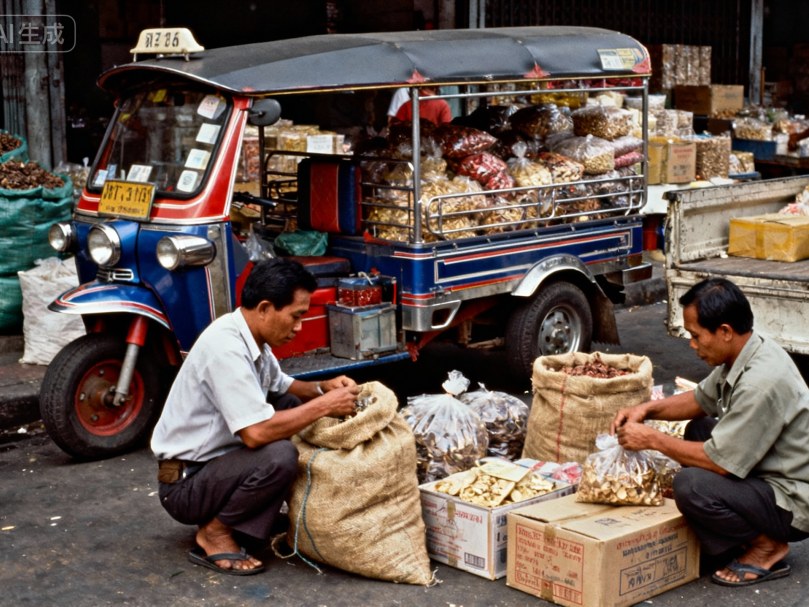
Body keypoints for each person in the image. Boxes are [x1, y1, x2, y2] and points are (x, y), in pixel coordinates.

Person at [151, 258, 359, 576]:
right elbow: (256, 435)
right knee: (279, 454)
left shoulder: (252, 338)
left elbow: (285, 386)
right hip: (185, 485)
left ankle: (243, 519)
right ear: (264, 308)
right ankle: (214, 532)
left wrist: (322, 388)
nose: (299, 327)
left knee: (287, 403)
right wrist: (326, 405)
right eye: (296, 316)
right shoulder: (226, 348)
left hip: (215, 470)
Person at [610, 277, 809, 587]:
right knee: (699, 427)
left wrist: (652, 439)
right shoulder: (746, 351)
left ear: (725, 332)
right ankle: (735, 534)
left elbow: (717, 463)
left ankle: (766, 546)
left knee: (691, 486)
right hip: (765, 472)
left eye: (696, 335)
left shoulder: (761, 381)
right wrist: (646, 409)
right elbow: (700, 399)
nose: (692, 344)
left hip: (792, 499)